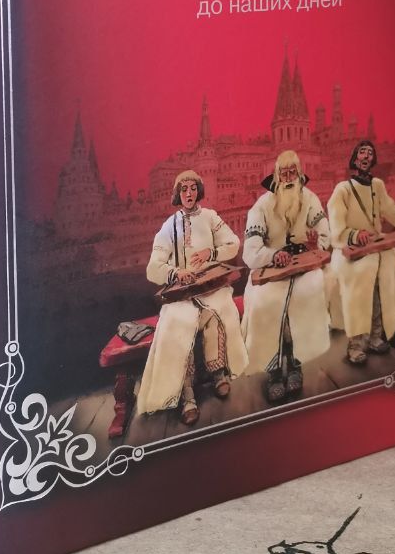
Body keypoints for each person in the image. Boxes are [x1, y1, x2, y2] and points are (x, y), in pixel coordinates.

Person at [136, 169, 248, 425]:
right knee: (178, 323)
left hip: (210, 286)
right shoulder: (169, 226)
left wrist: (211, 253)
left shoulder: (210, 217)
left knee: (218, 311)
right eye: (184, 189)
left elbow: (233, 243)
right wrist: (176, 272)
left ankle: (218, 373)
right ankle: (187, 393)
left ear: (199, 191)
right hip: (182, 294)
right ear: (178, 194)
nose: (189, 193)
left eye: (193, 188)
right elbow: (153, 268)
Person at [241, 150, 331, 402]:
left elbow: (325, 234)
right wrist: (273, 255)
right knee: (264, 302)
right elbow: (250, 252)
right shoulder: (262, 205)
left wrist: (315, 245)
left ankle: (294, 364)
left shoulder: (310, 199)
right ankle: (273, 372)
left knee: (309, 291)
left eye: (293, 172)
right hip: (271, 270)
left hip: (302, 268)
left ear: (300, 174)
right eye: (284, 173)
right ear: (276, 176)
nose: (289, 178)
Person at [327, 140, 395, 365]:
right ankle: (355, 344)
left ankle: (377, 335)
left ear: (373, 160)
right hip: (349, 253)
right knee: (361, 277)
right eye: (362, 152)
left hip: (377, 249)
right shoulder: (342, 190)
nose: (366, 156)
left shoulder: (378, 186)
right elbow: (336, 231)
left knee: (388, 270)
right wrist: (356, 234)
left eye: (370, 153)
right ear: (355, 159)